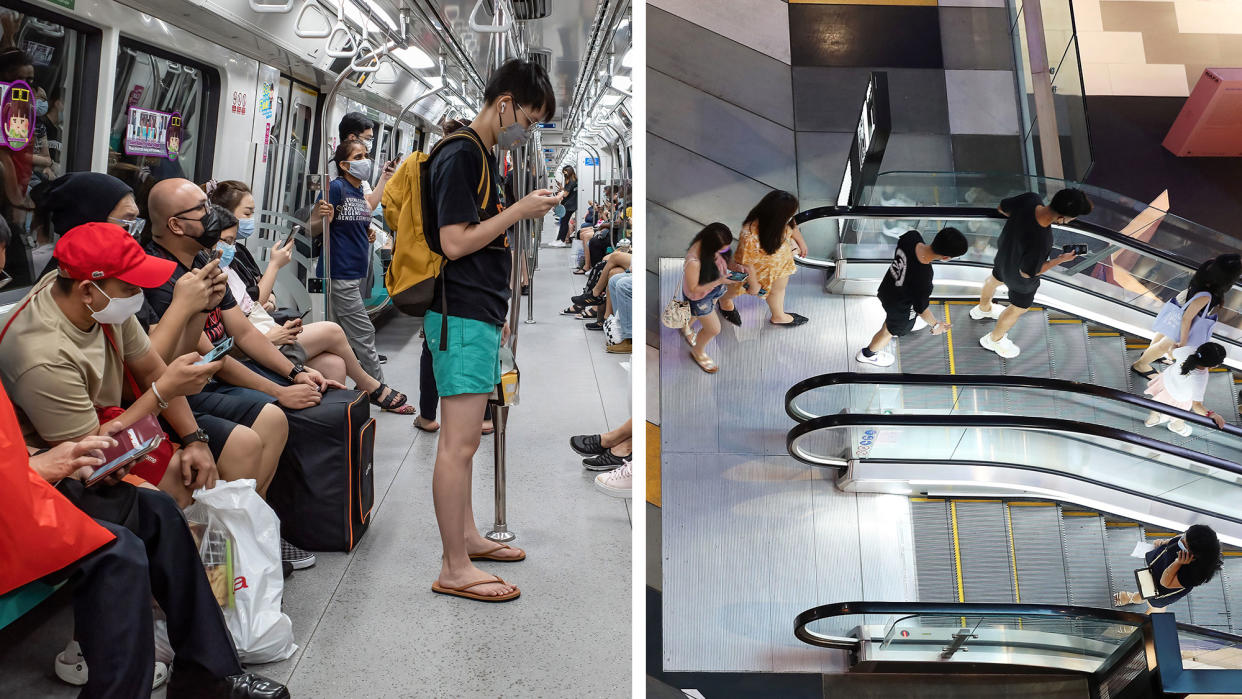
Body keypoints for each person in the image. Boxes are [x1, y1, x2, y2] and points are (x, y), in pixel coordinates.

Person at [4, 384, 290, 699]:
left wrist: (63, 457)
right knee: (116, 550)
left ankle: (206, 676)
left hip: (21, 484)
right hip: (13, 497)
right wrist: (37, 467)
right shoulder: (40, 353)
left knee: (159, 510)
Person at [424, 58, 562, 603]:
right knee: (457, 446)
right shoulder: (461, 155)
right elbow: (456, 240)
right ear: (504, 103)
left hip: (474, 310)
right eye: (527, 119)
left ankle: (469, 538)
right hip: (458, 314)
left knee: (465, 446)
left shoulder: (481, 155)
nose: (525, 132)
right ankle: (453, 566)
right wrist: (521, 211)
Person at [206, 179, 414, 414]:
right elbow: (250, 309)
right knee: (333, 331)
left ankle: (330, 426)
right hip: (261, 340)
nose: (250, 219)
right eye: (247, 212)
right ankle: (372, 387)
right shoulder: (213, 271)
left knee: (335, 364)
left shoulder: (237, 257)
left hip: (265, 329)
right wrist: (274, 268)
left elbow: (258, 299)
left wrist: (267, 304)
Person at [970, 189, 1092, 358]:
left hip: (1004, 256)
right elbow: (1029, 273)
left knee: (993, 280)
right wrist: (1060, 260)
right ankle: (994, 340)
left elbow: (1001, 208)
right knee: (1019, 308)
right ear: (1061, 219)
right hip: (1019, 280)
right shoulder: (1042, 240)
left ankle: (983, 309)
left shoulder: (1030, 199)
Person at [320, 139, 389, 383]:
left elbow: (354, 220)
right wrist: (323, 218)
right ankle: (379, 389)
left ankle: (339, 382)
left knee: (341, 335)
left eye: (366, 155)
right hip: (341, 273)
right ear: (344, 165)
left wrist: (367, 231)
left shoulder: (359, 190)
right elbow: (318, 225)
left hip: (354, 272)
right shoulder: (336, 188)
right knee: (364, 332)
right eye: (359, 157)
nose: (365, 161)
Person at [856, 227, 968, 367]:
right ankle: (868, 354)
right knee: (889, 331)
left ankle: (904, 322)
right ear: (945, 258)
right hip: (901, 305)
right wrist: (936, 325)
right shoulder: (924, 277)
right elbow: (921, 309)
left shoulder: (911, 237)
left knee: (896, 320)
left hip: (888, 287)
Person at [1131, 254, 1241, 378]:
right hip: (1187, 316)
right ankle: (1141, 364)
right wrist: (1182, 343)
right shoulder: (1208, 295)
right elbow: (1187, 319)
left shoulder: (1207, 271)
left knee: (1165, 332)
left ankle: (1148, 354)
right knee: (1165, 344)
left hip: (1183, 304)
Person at [724, 190, 809, 327]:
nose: (791, 218)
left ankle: (778, 316)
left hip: (780, 265)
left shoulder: (781, 220)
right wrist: (753, 284)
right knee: (736, 288)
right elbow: (747, 263)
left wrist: (801, 242)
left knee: (778, 290)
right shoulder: (750, 235)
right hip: (755, 271)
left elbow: (793, 226)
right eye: (788, 215)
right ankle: (725, 302)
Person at [1114, 525, 1223, 611]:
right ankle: (1139, 596)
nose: (1182, 539)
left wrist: (1177, 563)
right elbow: (1178, 538)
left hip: (1167, 581)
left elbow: (1165, 582)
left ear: (1194, 554)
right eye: (1185, 535)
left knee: (1151, 592)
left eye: (1184, 543)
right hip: (1162, 562)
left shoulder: (1194, 575)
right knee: (1148, 579)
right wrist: (1164, 542)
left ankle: (1136, 598)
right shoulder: (1191, 539)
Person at [1143, 342, 1229, 436]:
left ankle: (1153, 419)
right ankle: (1177, 427)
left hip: (1165, 382)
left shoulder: (1188, 350)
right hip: (1179, 398)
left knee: (1158, 403)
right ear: (1213, 366)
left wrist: (1173, 346)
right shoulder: (1200, 377)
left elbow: (1171, 353)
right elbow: (1196, 405)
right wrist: (1211, 414)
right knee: (1178, 416)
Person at [337, 111, 395, 211]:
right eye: (368, 138)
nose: (370, 143)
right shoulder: (334, 166)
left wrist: (384, 178)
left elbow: (370, 205)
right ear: (352, 138)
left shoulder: (359, 168)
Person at [556, 165, 578, 244]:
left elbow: (565, 194)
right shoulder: (574, 180)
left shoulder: (570, 182)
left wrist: (560, 193)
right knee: (564, 222)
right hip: (571, 205)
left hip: (569, 206)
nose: (564, 175)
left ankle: (561, 240)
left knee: (564, 223)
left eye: (564, 173)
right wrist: (562, 189)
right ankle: (559, 239)